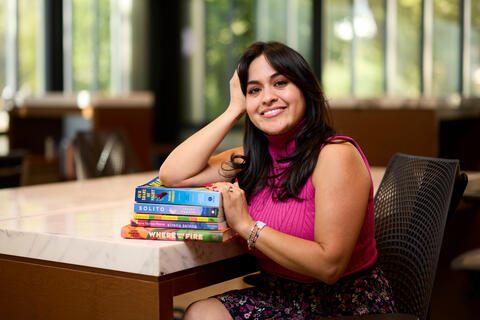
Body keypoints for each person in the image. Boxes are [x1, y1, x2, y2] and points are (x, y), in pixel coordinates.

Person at [159, 41, 396, 319]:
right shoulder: (252, 157)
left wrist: (247, 226)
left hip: (342, 304)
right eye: (254, 90)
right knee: (201, 313)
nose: (267, 97)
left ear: (305, 90)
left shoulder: (335, 156)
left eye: (280, 83)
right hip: (277, 294)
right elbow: (173, 174)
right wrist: (233, 109)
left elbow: (329, 266)